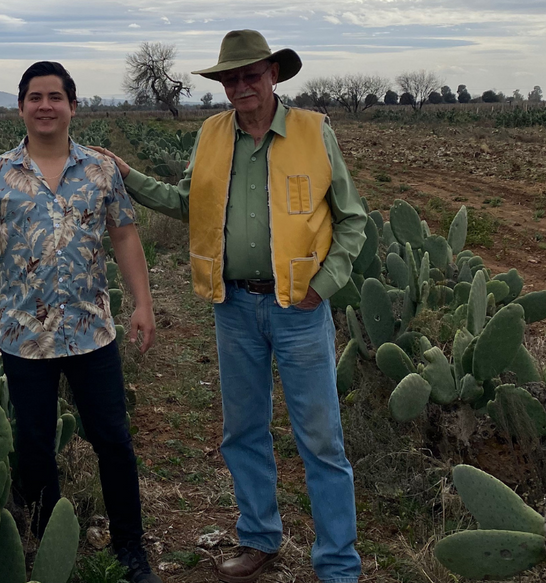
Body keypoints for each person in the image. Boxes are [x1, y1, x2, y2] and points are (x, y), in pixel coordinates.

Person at [94, 30, 367, 583]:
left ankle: (338, 564)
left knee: (320, 439)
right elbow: (186, 201)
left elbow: (352, 218)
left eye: (251, 74)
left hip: (299, 307)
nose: (241, 85)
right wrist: (129, 177)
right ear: (223, 85)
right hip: (234, 306)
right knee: (242, 430)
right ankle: (260, 538)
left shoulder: (315, 131)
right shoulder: (213, 134)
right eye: (231, 78)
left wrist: (327, 282)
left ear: (272, 76)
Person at [0, 61, 160, 583]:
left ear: (72, 105)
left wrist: (143, 303)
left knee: (112, 439)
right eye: (35, 97)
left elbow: (125, 234)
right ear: (21, 107)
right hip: (24, 334)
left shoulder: (101, 170)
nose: (45, 105)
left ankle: (131, 550)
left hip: (92, 330)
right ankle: (46, 547)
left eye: (55, 96)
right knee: (36, 443)